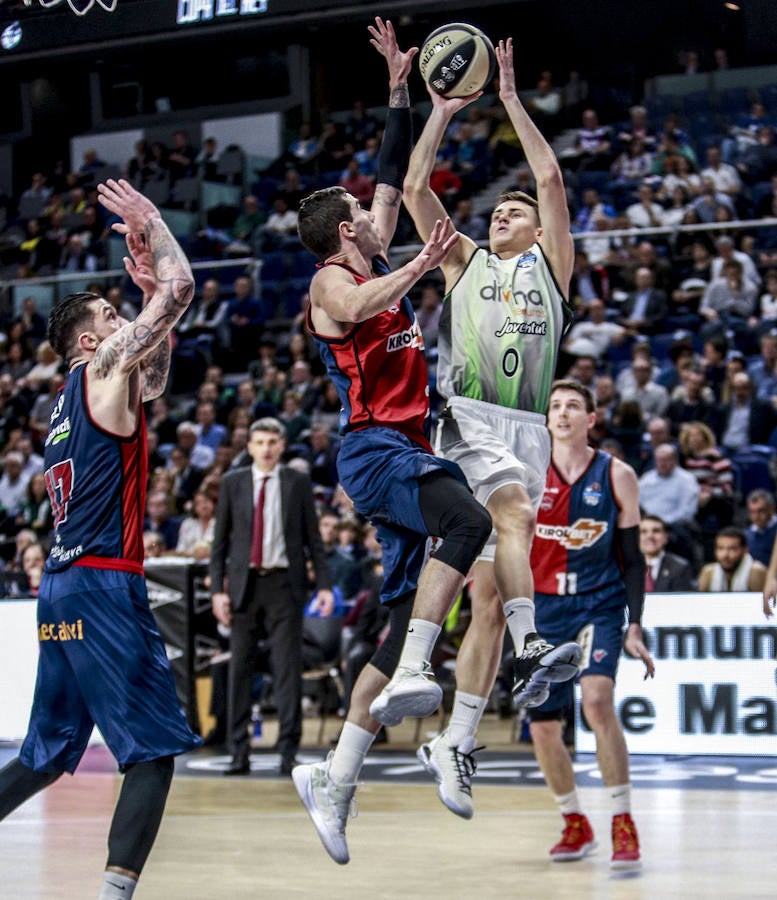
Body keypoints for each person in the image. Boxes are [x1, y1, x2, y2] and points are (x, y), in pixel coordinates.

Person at [291, 19, 492, 865]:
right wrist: (420, 265)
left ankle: (334, 775)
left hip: (401, 446)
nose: (376, 213)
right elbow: (365, 304)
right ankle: (419, 673)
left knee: (394, 619)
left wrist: (407, 93)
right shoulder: (329, 281)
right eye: (361, 217)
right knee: (470, 524)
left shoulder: (365, 247)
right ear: (347, 233)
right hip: (374, 452)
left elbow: (384, 172)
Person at [0, 178, 201, 900]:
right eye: (113, 314)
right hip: (105, 586)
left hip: (59, 593)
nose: (125, 319)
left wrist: (150, 309)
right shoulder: (103, 367)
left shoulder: (64, 400)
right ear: (91, 339)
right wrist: (151, 222)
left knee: (48, 754)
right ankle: (114, 894)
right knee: (152, 753)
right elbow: (181, 287)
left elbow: (153, 378)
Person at [402, 38, 583, 819]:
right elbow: (413, 187)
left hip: (527, 428)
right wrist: (439, 112)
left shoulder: (552, 268)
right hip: (468, 415)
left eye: (515, 212)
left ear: (539, 233)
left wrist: (510, 95)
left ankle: (457, 741)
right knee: (509, 518)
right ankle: (532, 642)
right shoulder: (464, 262)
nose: (504, 212)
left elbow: (548, 176)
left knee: (482, 597)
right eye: (497, 211)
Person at [527, 380, 654, 869]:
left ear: (590, 419)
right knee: (543, 728)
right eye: (555, 405)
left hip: (599, 601)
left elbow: (633, 559)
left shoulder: (617, 474)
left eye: (573, 406)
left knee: (597, 700)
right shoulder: (529, 472)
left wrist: (636, 624)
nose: (562, 413)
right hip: (542, 606)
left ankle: (623, 819)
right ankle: (574, 821)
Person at [210, 417, 333, 777]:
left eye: (272, 442)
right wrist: (218, 590)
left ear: (281, 446)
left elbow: (314, 540)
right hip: (244, 585)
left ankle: (287, 752)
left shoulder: (297, 482)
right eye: (259, 442)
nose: (266, 448)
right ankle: (238, 752)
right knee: (239, 671)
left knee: (287, 670)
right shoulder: (233, 482)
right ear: (249, 447)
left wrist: (324, 585)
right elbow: (219, 545)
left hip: (284, 584)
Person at [698, 526, 767, 592]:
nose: (725, 555)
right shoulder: (708, 573)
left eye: (732, 549)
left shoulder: (756, 571)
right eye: (720, 548)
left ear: (744, 551)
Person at [639, 514, 695, 591]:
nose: (650, 536)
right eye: (643, 531)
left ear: (665, 537)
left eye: (656, 531)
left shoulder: (680, 568)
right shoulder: (625, 567)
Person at [745, 489, 777, 567]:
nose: (756, 516)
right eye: (752, 511)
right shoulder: (746, 534)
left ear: (771, 508)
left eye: (760, 511)